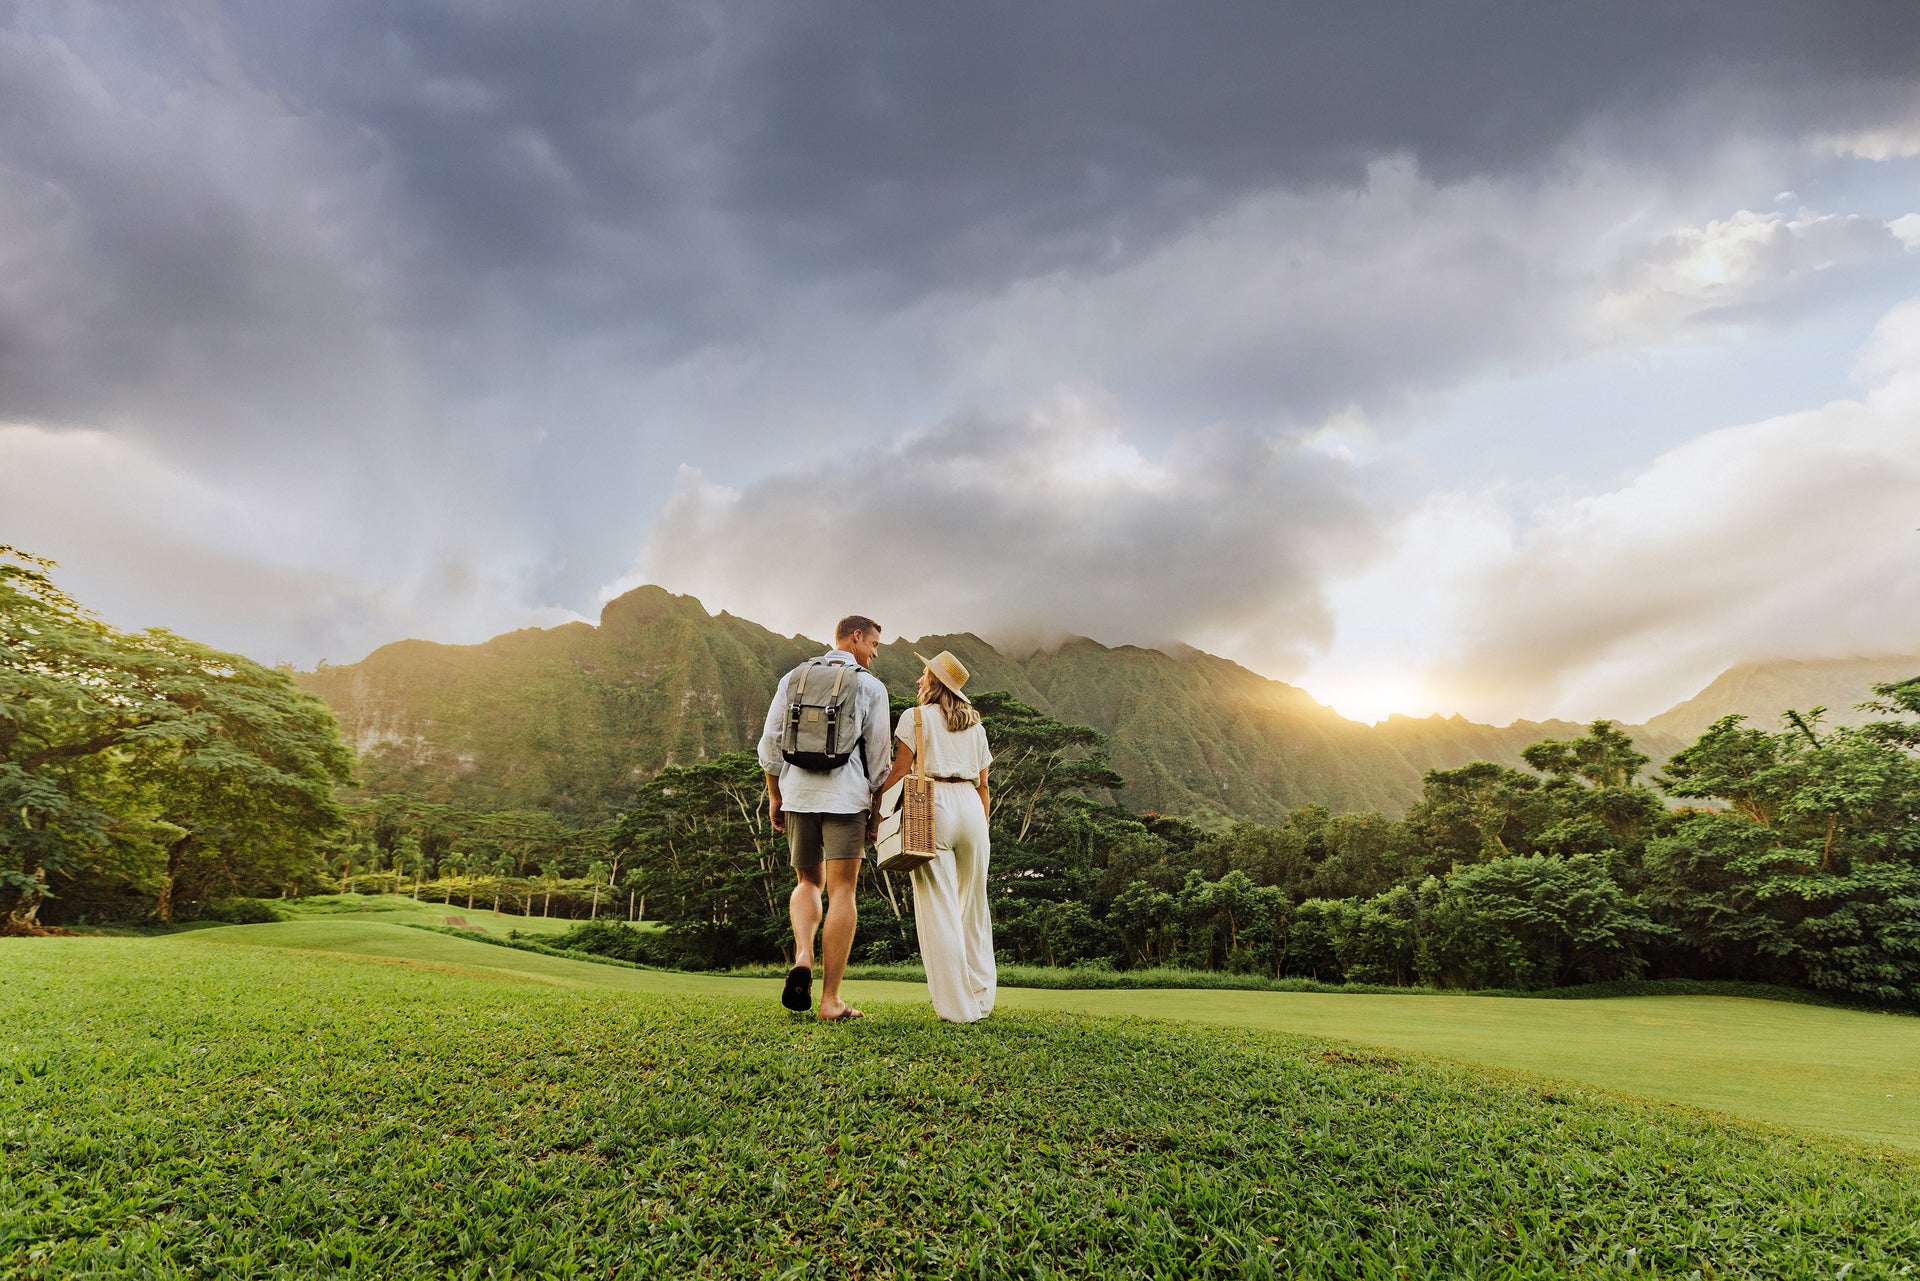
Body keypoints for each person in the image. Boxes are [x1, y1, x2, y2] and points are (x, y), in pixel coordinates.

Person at [758, 615, 891, 1021]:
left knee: (807, 882)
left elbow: (770, 746)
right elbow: (880, 761)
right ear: (855, 638)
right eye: (873, 645)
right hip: (846, 799)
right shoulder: (870, 686)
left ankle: (802, 954)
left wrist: (775, 797)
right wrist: (875, 809)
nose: (874, 654)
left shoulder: (793, 678)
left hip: (798, 794)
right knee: (843, 891)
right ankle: (830, 1000)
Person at [877, 650, 995, 1023]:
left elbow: (898, 774)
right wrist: (983, 824)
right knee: (974, 906)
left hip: (933, 806)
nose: (918, 680)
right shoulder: (976, 727)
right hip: (972, 809)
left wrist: (877, 817)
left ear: (935, 682)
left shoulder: (915, 719)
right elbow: (985, 785)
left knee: (938, 907)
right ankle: (981, 999)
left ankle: (957, 1009)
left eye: (923, 674)